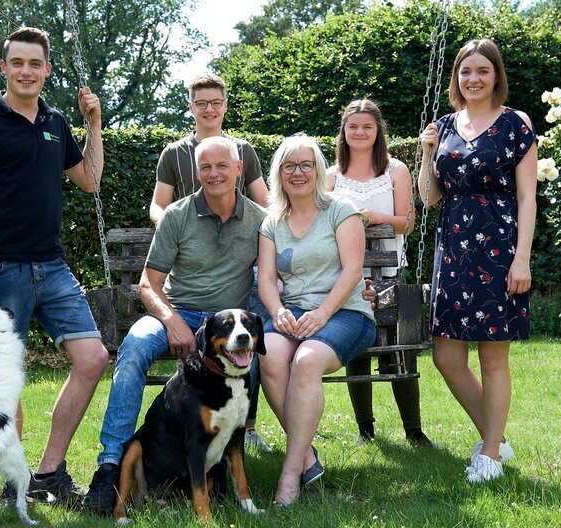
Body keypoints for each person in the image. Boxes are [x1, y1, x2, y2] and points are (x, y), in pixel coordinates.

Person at [0, 27, 109, 505]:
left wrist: (94, 125)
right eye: (17, 62)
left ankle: (48, 472)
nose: (26, 71)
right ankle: (10, 481)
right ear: (3, 68)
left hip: (53, 268)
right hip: (1, 269)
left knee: (94, 358)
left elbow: (90, 181)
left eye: (35, 64)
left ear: (46, 70)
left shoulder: (56, 122)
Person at [83, 136, 267, 514]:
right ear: (196, 172)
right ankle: (111, 465)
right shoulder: (177, 215)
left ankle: (261, 452)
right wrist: (171, 320)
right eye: (205, 167)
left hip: (229, 324)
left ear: (239, 169)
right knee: (134, 347)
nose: (213, 173)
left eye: (221, 166)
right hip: (177, 311)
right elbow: (148, 283)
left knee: (267, 354)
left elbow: (284, 273)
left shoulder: (260, 221)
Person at [419, 39, 537, 483]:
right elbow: (429, 200)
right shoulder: (445, 124)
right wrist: (428, 152)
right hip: (452, 249)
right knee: (446, 357)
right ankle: (496, 436)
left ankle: (488, 455)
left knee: (492, 359)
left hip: (499, 247)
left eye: (483, 71)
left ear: (496, 77)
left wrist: (521, 259)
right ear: (456, 77)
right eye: (466, 71)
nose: (474, 79)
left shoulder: (514, 124)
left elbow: (528, 197)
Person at [150, 72, 271, 452]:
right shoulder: (175, 153)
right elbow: (159, 202)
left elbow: (263, 202)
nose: (208, 109)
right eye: (200, 103)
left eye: (215, 102)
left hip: (234, 252)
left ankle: (245, 425)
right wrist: (174, 224)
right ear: (191, 107)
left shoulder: (243, 150)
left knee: (256, 329)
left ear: (224, 106)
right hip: (187, 253)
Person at [257, 135, 376, 505]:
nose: (298, 172)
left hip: (346, 313)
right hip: (294, 315)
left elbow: (353, 271)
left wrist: (323, 313)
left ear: (318, 169)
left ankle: (290, 474)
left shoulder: (341, 210)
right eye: (289, 166)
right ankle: (307, 456)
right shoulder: (272, 221)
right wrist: (277, 310)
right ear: (279, 173)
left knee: (306, 361)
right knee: (269, 354)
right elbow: (264, 279)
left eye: (306, 164)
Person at [327, 99, 434, 447]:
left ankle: (414, 431)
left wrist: (374, 218)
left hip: (389, 271)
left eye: (367, 127)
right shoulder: (331, 175)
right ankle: (365, 430)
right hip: (347, 273)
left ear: (378, 132)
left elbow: (409, 223)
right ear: (344, 131)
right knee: (356, 346)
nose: (359, 132)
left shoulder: (395, 170)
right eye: (353, 126)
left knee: (398, 348)